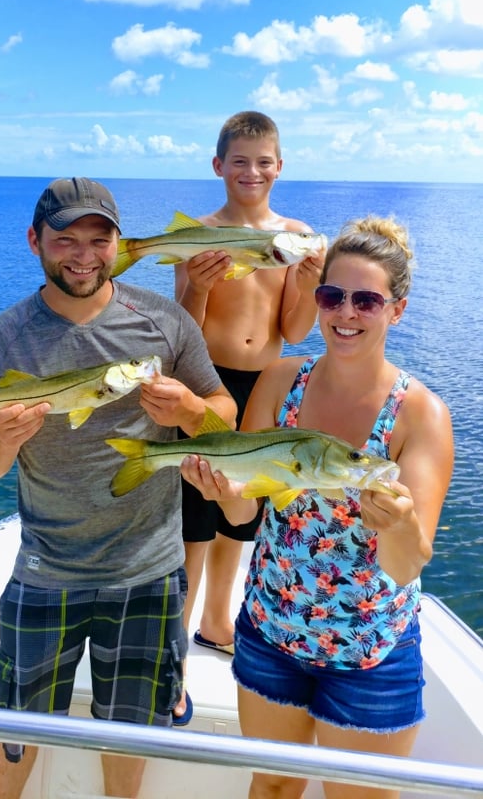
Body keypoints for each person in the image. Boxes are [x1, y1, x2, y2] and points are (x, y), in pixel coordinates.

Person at [0, 177, 236, 799]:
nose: (83, 254)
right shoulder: (0, 339)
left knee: (132, 733)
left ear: (117, 244)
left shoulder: (164, 322)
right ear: (35, 242)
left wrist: (191, 408)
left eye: (99, 238)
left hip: (149, 572)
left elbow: (223, 416)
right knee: (13, 730)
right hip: (45, 569)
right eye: (65, 240)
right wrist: (2, 439)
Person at [181, 214, 454, 799]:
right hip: (271, 632)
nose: (345, 313)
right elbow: (244, 517)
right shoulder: (280, 383)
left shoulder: (420, 416)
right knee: (273, 786)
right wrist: (224, 492)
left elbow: (408, 566)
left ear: (396, 310)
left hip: (368, 651)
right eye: (332, 295)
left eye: (366, 300)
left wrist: (399, 523)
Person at [174, 111, 325, 681]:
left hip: (263, 385)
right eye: (240, 161)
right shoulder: (200, 233)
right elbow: (185, 325)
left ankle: (216, 621)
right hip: (206, 382)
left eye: (263, 162)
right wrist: (201, 284)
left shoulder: (295, 235)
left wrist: (309, 282)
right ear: (219, 166)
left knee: (242, 510)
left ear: (280, 167)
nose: (252, 171)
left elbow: (295, 330)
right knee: (196, 512)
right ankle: (176, 647)